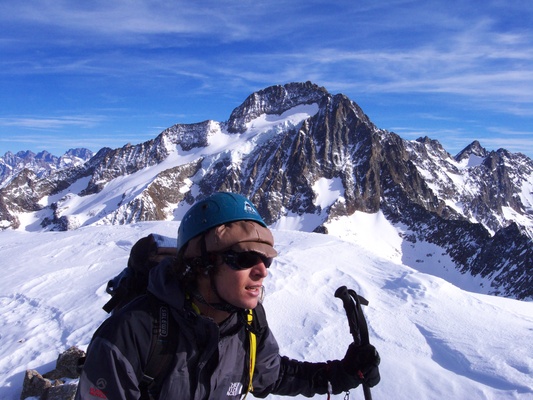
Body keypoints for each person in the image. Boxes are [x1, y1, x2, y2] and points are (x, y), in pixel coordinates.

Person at [75, 192, 380, 399]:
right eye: (244, 258)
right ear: (201, 265)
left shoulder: (247, 322)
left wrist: (340, 374)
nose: (262, 271)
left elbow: (271, 375)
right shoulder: (133, 332)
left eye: (266, 259)